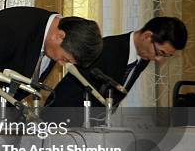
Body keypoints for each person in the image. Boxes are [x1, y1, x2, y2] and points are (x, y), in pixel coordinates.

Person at [0, 6, 102, 109]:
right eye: (65, 59)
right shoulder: (12, 28)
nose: (61, 63)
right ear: (59, 36)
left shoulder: (51, 41)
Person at [50, 16, 188, 108]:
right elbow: (72, 91)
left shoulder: (143, 57)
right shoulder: (107, 48)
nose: (159, 60)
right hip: (65, 119)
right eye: (160, 53)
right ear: (147, 36)